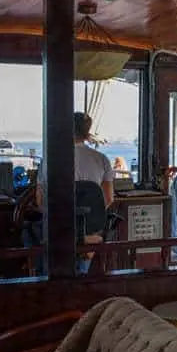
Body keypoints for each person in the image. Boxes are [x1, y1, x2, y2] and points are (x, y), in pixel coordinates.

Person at [36, 112, 115, 273]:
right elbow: (107, 199)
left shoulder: (50, 159)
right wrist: (84, 221)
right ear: (87, 133)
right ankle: (84, 249)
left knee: (29, 234)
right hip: (90, 229)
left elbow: (41, 201)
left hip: (59, 230)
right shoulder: (102, 159)